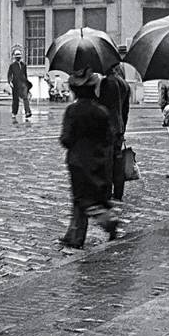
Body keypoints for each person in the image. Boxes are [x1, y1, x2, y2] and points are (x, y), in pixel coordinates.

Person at [59, 66, 118, 248]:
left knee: (84, 199)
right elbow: (109, 137)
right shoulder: (101, 111)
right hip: (98, 159)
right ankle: (74, 235)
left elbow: (66, 139)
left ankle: (108, 221)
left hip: (77, 162)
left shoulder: (72, 111)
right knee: (91, 196)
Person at [97, 63, 130, 201]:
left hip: (107, 128)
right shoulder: (125, 84)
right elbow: (125, 110)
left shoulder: (106, 82)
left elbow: (103, 107)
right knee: (118, 159)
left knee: (107, 161)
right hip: (119, 126)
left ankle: (106, 192)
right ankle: (118, 191)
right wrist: (123, 128)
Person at [7, 49, 32, 119]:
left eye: (19, 55)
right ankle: (14, 113)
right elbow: (9, 75)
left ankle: (28, 112)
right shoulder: (12, 65)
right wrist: (10, 82)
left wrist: (27, 85)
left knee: (25, 97)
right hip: (15, 84)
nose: (18, 57)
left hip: (23, 84)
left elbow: (25, 75)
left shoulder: (24, 65)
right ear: (14, 57)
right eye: (17, 55)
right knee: (15, 99)